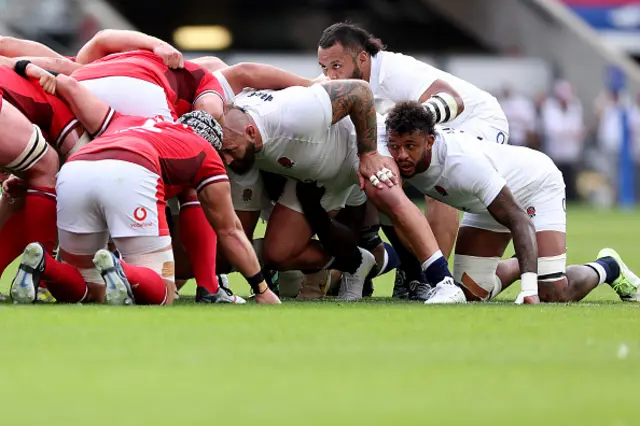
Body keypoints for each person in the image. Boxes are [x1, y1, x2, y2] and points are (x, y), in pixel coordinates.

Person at [10, 74, 280, 305]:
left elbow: (75, 91)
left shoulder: (133, 121)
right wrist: (261, 288)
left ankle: (44, 263)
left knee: (89, 287)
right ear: (212, 142)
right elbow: (229, 229)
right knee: (165, 290)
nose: (227, 160)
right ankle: (120, 268)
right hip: (131, 172)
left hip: (75, 168)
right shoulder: (206, 151)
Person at [317, 22, 510, 295]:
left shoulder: (394, 71)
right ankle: (412, 272)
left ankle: (435, 282)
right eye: (324, 68)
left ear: (361, 58)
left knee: (439, 181)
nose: (330, 76)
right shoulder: (346, 82)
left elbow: (453, 100)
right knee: (383, 183)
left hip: (479, 121)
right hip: (428, 130)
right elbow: (307, 88)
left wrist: (409, 128)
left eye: (336, 66)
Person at [219, 79, 456, 299]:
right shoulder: (229, 115)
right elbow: (242, 71)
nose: (227, 159)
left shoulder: (294, 114)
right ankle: (360, 260)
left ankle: (439, 280)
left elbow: (359, 91)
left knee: (383, 192)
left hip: (352, 148)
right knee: (278, 254)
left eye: (230, 150)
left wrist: (368, 153)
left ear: (250, 132)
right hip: (308, 170)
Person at [383, 101, 640, 304]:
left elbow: (518, 218)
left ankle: (609, 267)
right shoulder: (387, 150)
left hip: (534, 186)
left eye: (410, 146)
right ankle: (528, 259)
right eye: (395, 146)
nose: (401, 154)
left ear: (429, 141)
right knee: (470, 293)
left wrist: (529, 290)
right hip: (483, 202)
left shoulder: (462, 163)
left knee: (553, 292)